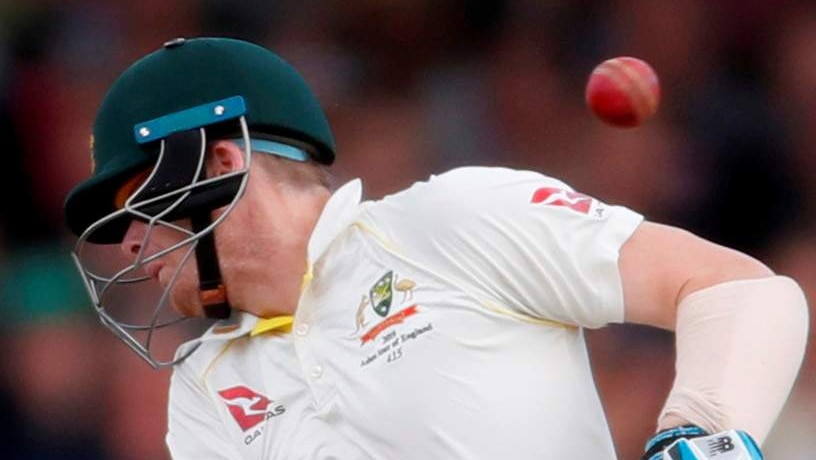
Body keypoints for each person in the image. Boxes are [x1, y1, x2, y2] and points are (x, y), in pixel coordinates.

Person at [64, 37, 808, 459]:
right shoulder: (204, 389)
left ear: (222, 162)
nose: (129, 240)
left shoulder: (449, 221)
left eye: (137, 199)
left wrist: (705, 437)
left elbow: (741, 292)